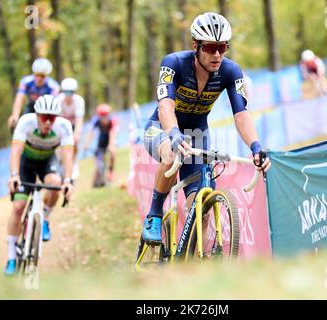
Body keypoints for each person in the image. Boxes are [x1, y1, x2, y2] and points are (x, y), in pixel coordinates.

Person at [140, 12, 271, 244]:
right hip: (161, 127)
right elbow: (165, 107)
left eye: (222, 47)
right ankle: (155, 214)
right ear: (196, 46)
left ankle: (194, 262)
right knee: (170, 156)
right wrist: (172, 134)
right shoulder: (173, 63)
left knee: (201, 208)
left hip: (197, 134)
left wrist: (256, 147)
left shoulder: (231, 71)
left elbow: (241, 115)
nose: (217, 54)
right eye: (211, 47)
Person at [5, 94, 74, 276]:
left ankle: (45, 218)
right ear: (37, 115)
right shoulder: (25, 122)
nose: (49, 122)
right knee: (18, 206)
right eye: (45, 117)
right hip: (25, 164)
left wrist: (68, 181)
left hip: (46, 162)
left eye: (52, 118)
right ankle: (11, 256)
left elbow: (67, 156)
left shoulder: (64, 127)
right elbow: (16, 151)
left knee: (56, 184)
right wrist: (14, 176)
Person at [7, 58, 60, 130]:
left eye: (42, 76)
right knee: (14, 123)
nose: (39, 78)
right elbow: (19, 98)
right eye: (37, 75)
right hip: (31, 106)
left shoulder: (53, 86)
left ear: (47, 75)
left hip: (46, 109)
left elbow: (54, 105)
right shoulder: (25, 81)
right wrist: (15, 115)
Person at [57, 77, 85, 180]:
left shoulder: (79, 101)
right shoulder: (58, 100)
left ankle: (74, 163)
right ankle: (59, 165)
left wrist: (77, 133)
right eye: (66, 92)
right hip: (61, 125)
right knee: (58, 146)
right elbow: (56, 120)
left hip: (73, 126)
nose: (68, 95)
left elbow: (79, 119)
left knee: (75, 143)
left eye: (71, 92)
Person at [84, 104, 118, 187]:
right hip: (101, 140)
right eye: (102, 117)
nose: (104, 119)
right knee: (98, 160)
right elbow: (91, 132)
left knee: (113, 153)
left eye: (106, 116)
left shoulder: (112, 121)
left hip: (110, 139)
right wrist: (86, 144)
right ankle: (97, 179)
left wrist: (111, 145)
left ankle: (111, 172)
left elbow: (112, 133)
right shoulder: (96, 121)